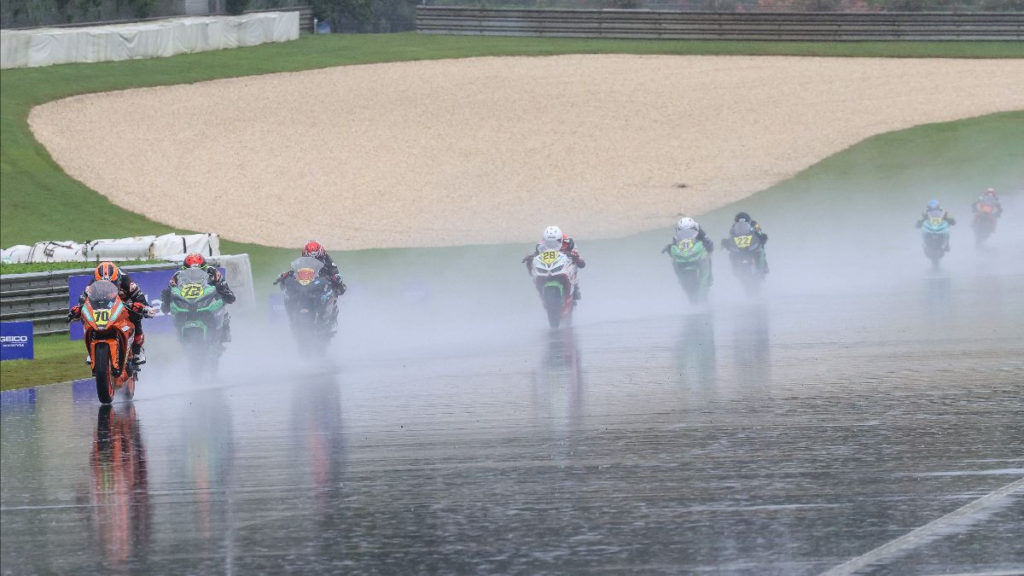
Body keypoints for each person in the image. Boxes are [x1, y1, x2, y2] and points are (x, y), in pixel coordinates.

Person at [68, 261, 152, 365]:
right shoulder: (91, 285)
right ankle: (92, 348)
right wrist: (78, 310)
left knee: (136, 315)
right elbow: (83, 301)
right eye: (102, 284)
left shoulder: (128, 283)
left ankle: (137, 350)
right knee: (85, 315)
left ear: (117, 279)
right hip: (103, 305)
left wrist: (142, 307)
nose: (106, 286)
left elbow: (141, 299)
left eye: (111, 283)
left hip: (124, 304)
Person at [160, 253, 237, 342]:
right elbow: (172, 289)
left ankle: (224, 333)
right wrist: (167, 297)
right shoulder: (177, 275)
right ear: (184, 269)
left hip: (208, 300)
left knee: (223, 308)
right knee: (172, 306)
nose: (194, 274)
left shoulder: (213, 272)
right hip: (187, 302)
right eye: (190, 271)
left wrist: (221, 288)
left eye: (197, 271)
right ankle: (180, 334)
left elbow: (229, 294)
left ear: (204, 268)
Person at [276, 240, 347, 330]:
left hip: (322, 285)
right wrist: (287, 274)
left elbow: (335, 272)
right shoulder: (302, 261)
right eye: (310, 256)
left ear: (320, 253)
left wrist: (335, 277)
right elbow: (296, 270)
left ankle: (330, 320)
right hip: (307, 284)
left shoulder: (328, 261)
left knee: (331, 296)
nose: (313, 259)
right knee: (290, 294)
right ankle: (293, 318)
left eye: (316, 257)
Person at [522, 225, 585, 300]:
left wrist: (576, 257)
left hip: (564, 264)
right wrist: (530, 257)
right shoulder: (541, 245)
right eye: (549, 243)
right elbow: (536, 254)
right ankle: (537, 283)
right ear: (545, 241)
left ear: (560, 240)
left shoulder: (569, 243)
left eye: (554, 242)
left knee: (574, 263)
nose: (552, 245)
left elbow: (582, 263)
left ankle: (575, 287)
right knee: (529, 261)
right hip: (548, 266)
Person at [662, 216, 714, 284]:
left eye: (689, 229)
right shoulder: (677, 234)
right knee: (673, 260)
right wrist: (669, 247)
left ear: (694, 227)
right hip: (684, 253)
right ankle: (680, 277)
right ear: (679, 229)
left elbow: (707, 239)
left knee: (707, 256)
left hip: (695, 250)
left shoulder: (699, 230)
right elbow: (674, 243)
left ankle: (709, 276)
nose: (686, 232)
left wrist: (707, 243)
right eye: (682, 230)